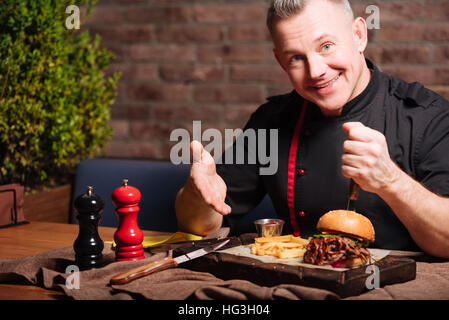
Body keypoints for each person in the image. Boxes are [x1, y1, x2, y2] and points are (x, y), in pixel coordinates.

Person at [175, 0, 449, 258]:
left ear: (358, 35)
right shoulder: (271, 121)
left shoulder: (427, 116)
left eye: (326, 46)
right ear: (281, 62)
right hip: (297, 280)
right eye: (295, 57)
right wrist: (197, 195)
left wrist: (392, 181)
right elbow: (202, 226)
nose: (316, 71)